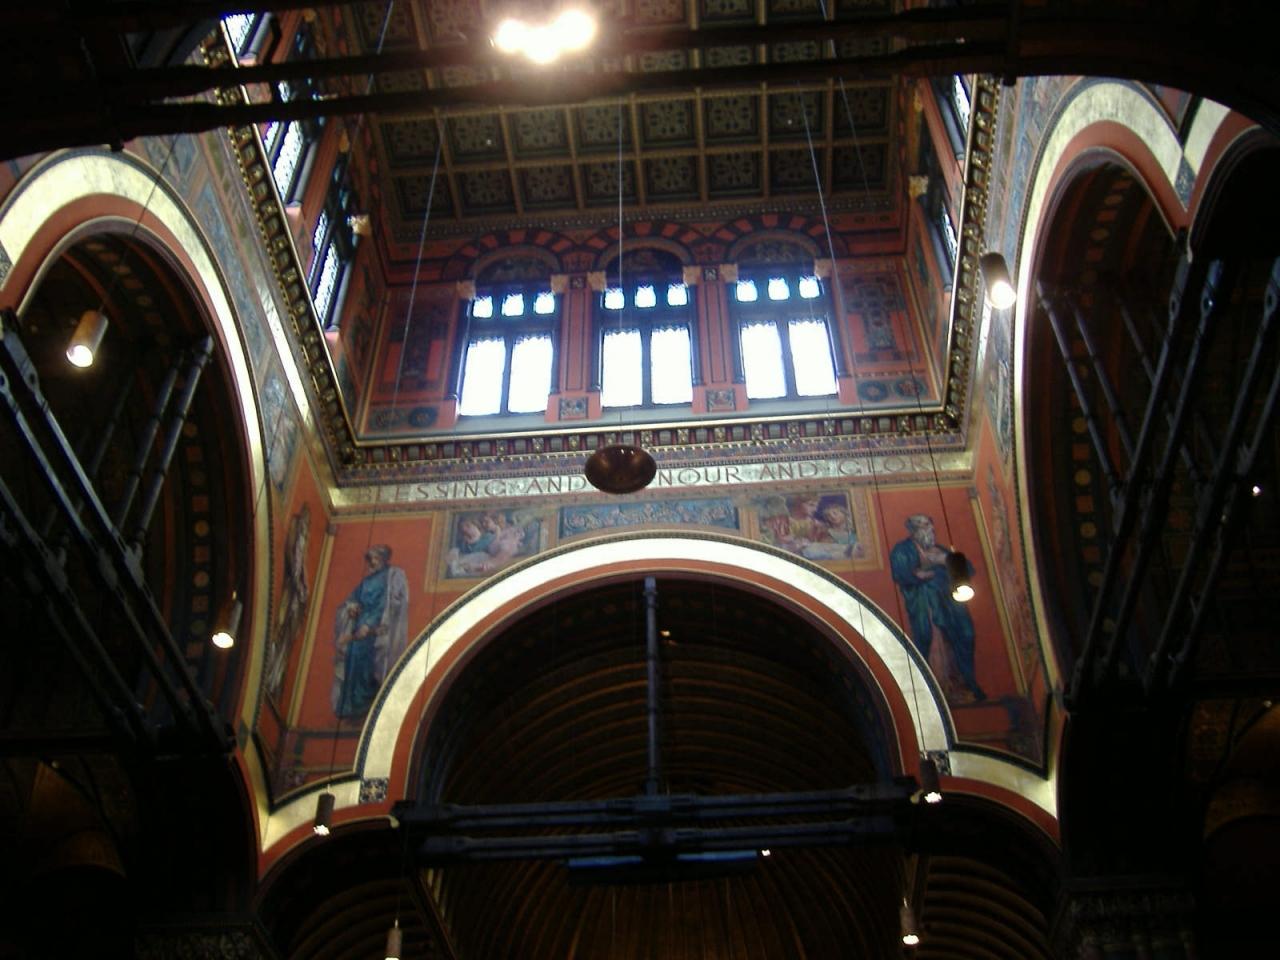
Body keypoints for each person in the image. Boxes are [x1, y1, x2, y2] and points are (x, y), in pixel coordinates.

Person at [889, 515, 985, 702]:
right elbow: (902, 573)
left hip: (951, 603)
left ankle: (964, 683)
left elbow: (966, 569)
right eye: (925, 526)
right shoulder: (903, 550)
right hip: (926, 605)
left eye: (930, 525)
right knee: (934, 640)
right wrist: (920, 575)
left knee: (965, 634)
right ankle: (940, 688)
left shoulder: (941, 550)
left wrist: (945, 559)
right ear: (913, 530)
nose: (930, 529)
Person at [332, 544, 409, 718]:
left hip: (376, 628)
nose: (372, 562)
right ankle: (350, 705)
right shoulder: (366, 581)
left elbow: (384, 605)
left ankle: (365, 703)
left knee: (369, 661)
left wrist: (368, 624)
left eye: (376, 558)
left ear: (383, 559)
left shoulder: (390, 577)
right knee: (352, 655)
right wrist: (351, 607)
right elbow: (353, 599)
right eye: (371, 558)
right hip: (359, 626)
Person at [264, 503, 310, 701]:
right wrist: (297, 580)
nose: (306, 525)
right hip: (291, 587)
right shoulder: (295, 527)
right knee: (280, 627)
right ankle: (269, 673)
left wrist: (304, 585)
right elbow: (292, 555)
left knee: (288, 633)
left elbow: (302, 563)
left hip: (296, 589)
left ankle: (275, 678)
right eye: (305, 521)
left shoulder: (304, 536)